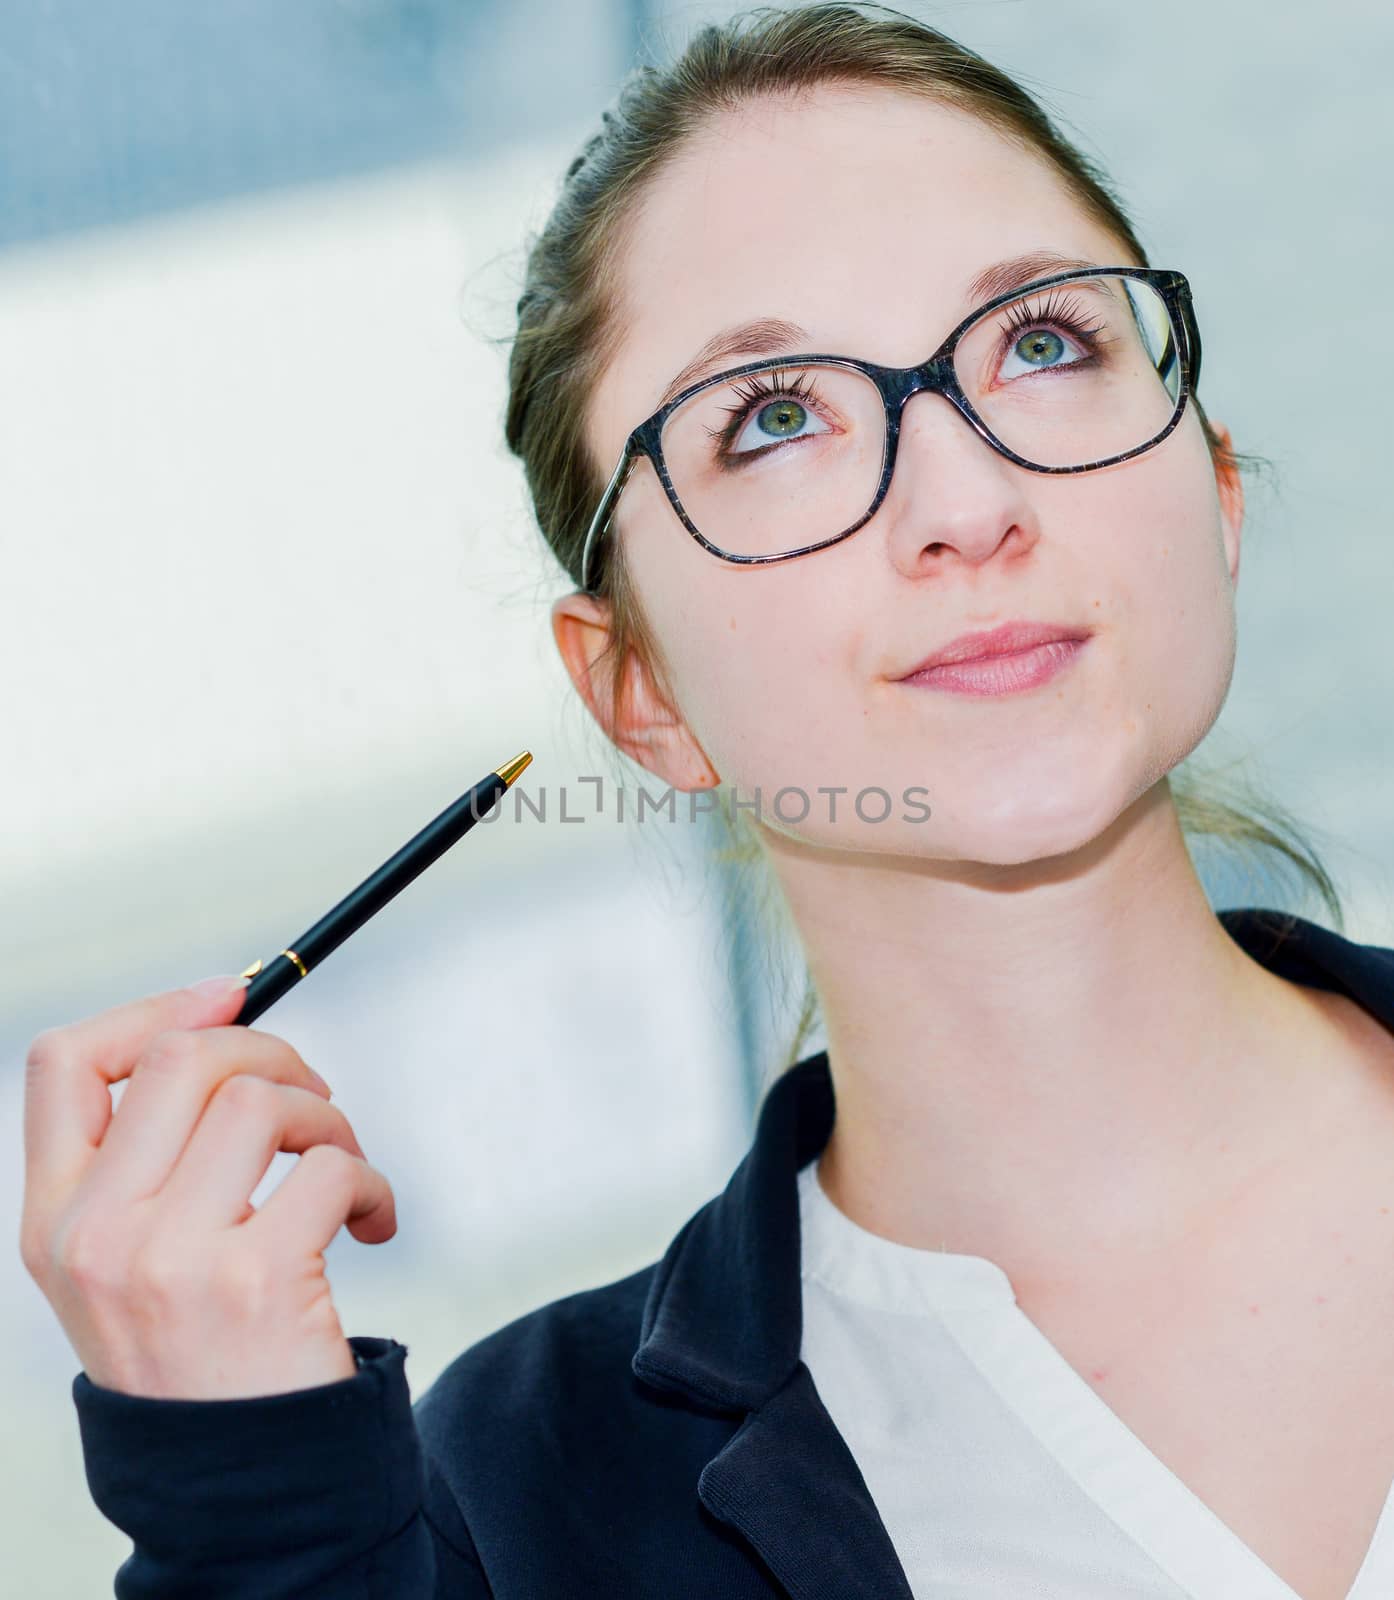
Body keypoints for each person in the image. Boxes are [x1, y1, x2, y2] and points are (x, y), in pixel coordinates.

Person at [19, 5, 1394, 1597]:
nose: (966, 503)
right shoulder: (517, 1502)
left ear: (1209, 489)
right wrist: (254, 1516)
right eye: (777, 420)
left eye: (1041, 343)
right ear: (637, 689)